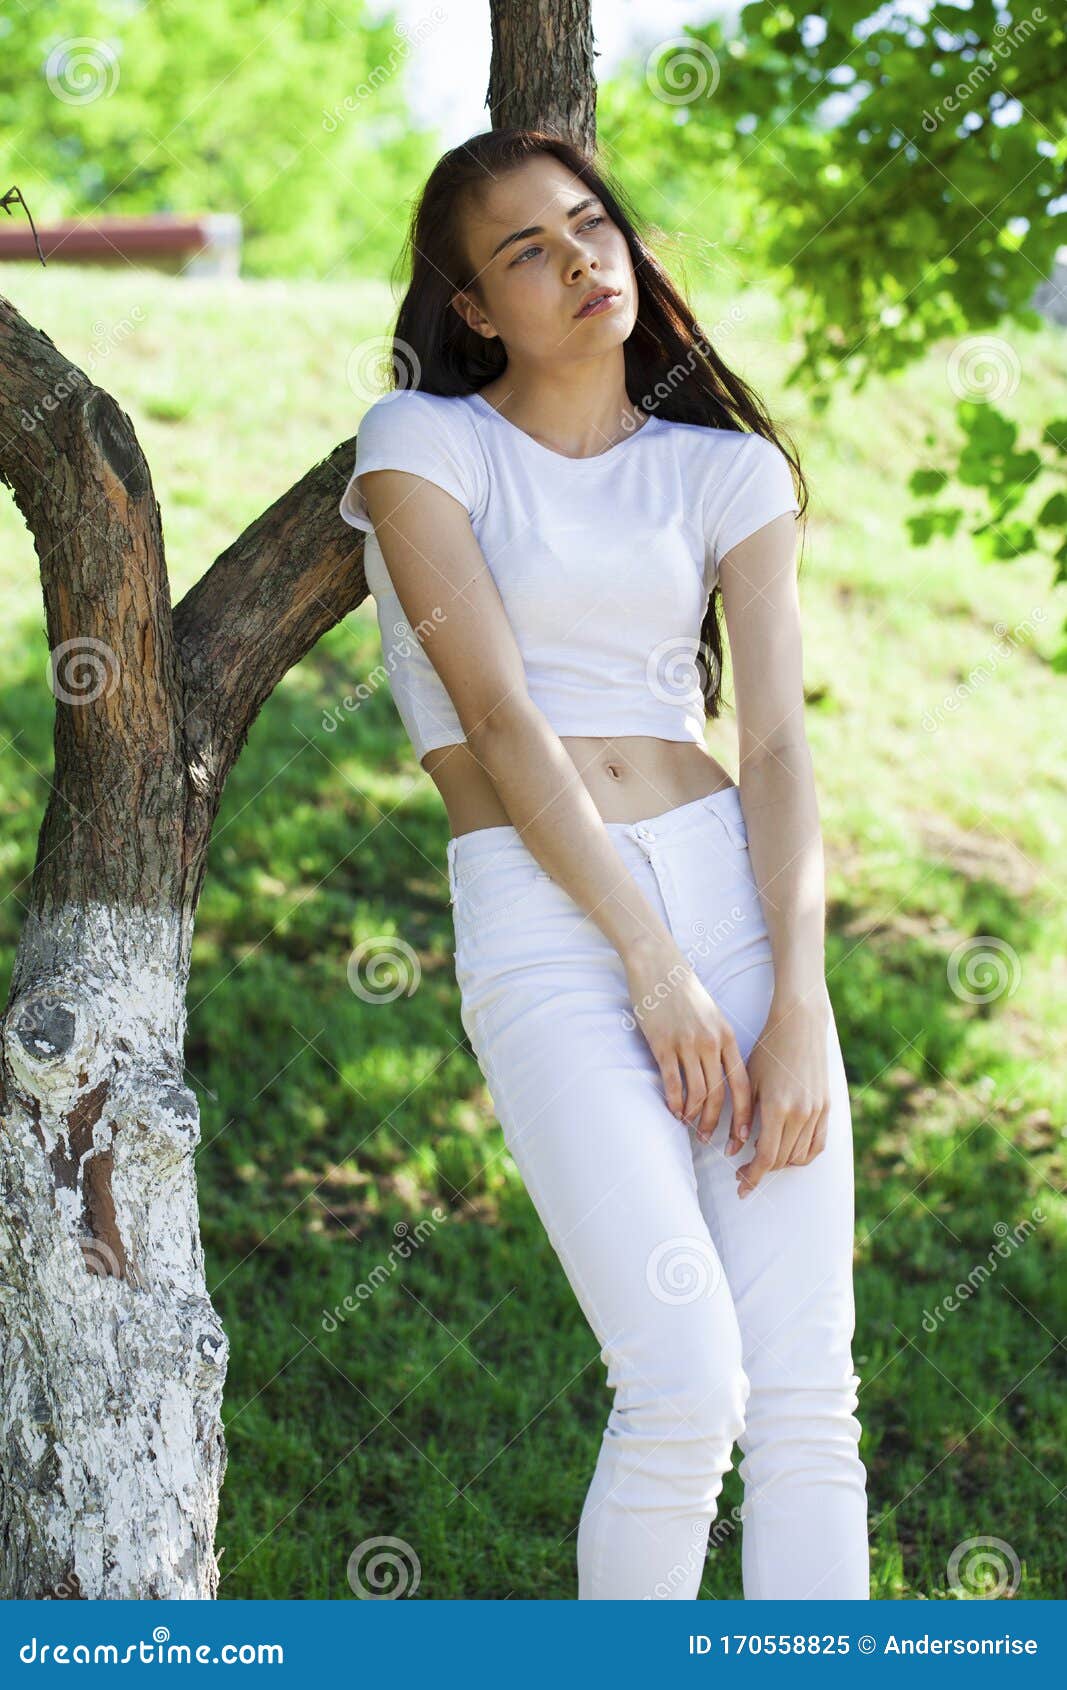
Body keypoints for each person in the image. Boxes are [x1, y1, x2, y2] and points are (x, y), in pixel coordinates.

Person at [338, 127, 869, 1602]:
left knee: (806, 1395)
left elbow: (774, 753)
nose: (580, 261)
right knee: (688, 1381)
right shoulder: (422, 445)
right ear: (472, 311)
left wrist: (800, 1000)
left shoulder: (727, 472)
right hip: (555, 919)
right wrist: (654, 963)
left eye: (592, 226)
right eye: (528, 250)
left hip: (736, 897)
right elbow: (503, 719)